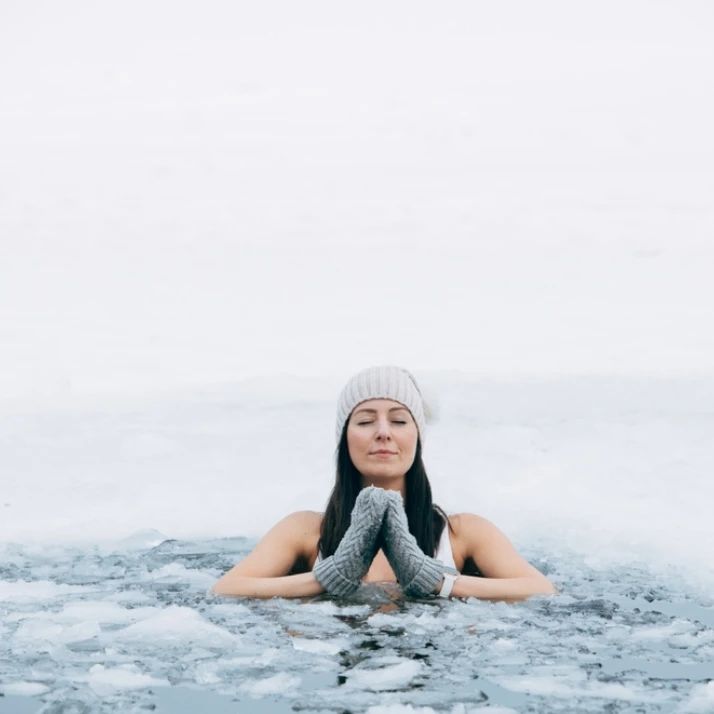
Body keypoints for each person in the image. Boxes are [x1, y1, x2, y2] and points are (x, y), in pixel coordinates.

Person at [212, 366, 556, 601]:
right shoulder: (305, 530)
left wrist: (437, 582)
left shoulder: (460, 532)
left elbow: (541, 590)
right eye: (364, 420)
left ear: (417, 437)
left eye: (398, 420)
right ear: (345, 439)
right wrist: (328, 579)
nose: (383, 432)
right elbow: (226, 589)